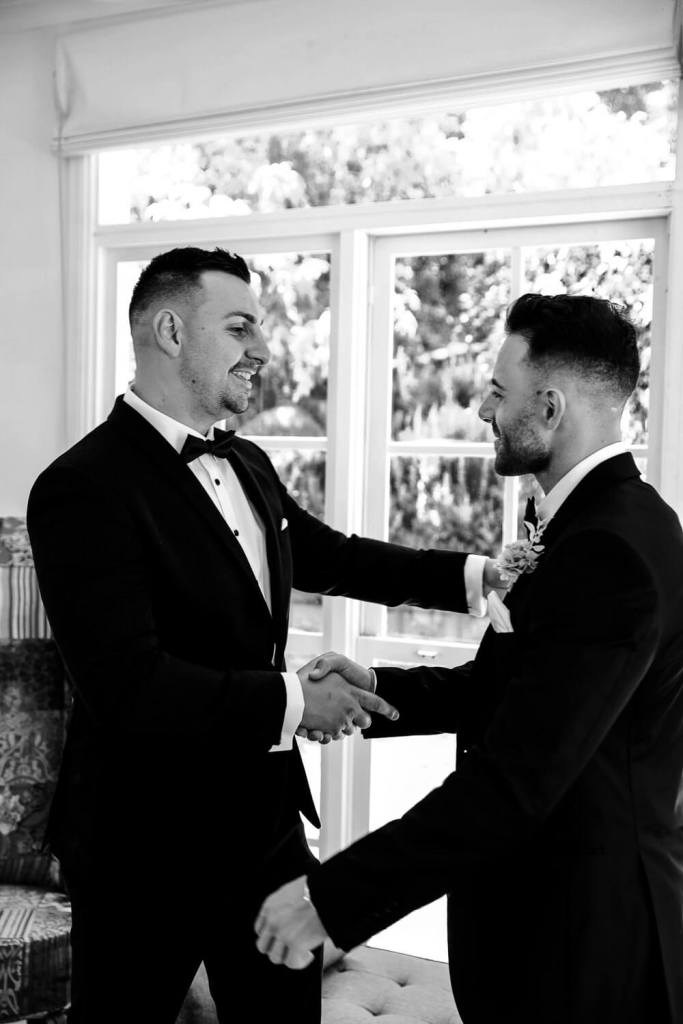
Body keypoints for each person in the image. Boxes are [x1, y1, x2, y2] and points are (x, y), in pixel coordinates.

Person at [27, 246, 501, 1024]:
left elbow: (334, 557)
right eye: (241, 326)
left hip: (263, 828)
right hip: (141, 842)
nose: (262, 349)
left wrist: (475, 577)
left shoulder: (245, 460)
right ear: (170, 331)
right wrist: (293, 702)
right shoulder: (80, 488)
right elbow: (128, 685)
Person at [255, 293, 683, 1024]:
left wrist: (331, 900)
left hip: (587, 945)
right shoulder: (604, 523)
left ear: (548, 408)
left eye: (495, 393)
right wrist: (378, 688)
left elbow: (516, 779)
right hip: (544, 929)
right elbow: (512, 690)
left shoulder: (607, 550)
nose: (482, 411)